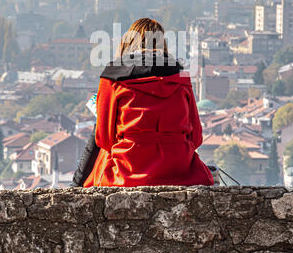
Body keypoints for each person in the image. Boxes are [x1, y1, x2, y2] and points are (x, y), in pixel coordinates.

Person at [71, 18, 214, 188]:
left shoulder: (112, 78)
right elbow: (196, 136)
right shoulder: (181, 77)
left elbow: (104, 139)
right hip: (179, 171)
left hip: (127, 172)